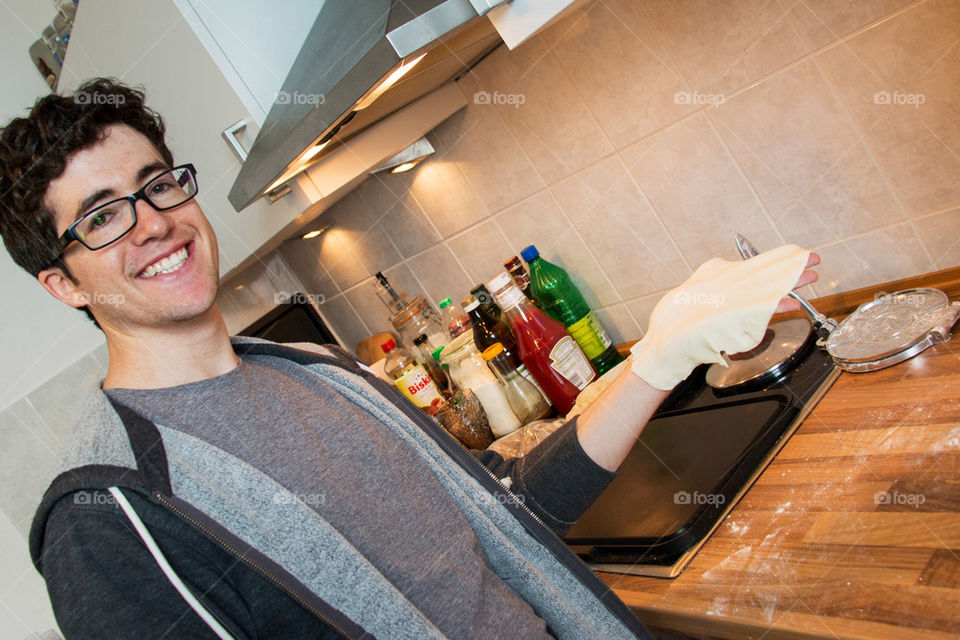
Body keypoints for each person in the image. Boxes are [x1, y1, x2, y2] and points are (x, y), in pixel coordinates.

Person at [0, 78, 818, 639]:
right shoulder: (107, 517)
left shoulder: (311, 371)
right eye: (102, 217)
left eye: (158, 186)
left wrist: (662, 354)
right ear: (61, 284)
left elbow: (510, 512)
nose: (152, 223)